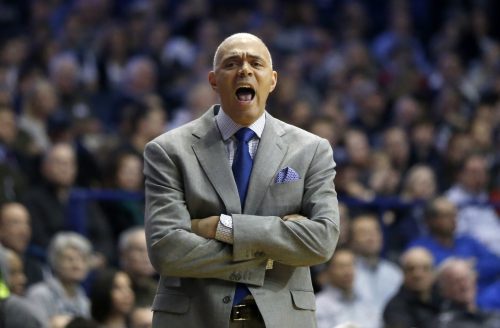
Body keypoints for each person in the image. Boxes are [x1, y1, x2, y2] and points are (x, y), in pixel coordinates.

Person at [143, 33, 340, 327]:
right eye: (232, 63)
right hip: (196, 318)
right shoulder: (168, 150)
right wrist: (272, 257)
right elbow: (166, 250)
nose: (245, 70)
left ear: (272, 80)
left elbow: (322, 241)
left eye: (255, 63)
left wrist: (224, 228)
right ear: (213, 80)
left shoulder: (311, 150)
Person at [26, 232, 92, 324]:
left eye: (82, 259)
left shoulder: (85, 302)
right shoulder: (39, 294)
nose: (77, 265)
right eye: (70, 259)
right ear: (55, 262)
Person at [315, 248, 379, 328]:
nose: (348, 271)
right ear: (328, 272)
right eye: (341, 267)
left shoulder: (366, 300)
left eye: (351, 265)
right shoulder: (319, 305)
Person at [383, 247, 441, 328]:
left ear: (433, 272)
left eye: (425, 268)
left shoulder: (444, 297)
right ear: (403, 273)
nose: (418, 274)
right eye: (411, 269)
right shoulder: (395, 308)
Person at [433, 258, 500, 328]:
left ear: (475, 280)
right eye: (456, 282)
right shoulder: (443, 324)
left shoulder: (493, 315)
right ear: (443, 289)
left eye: (467, 278)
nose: (464, 285)